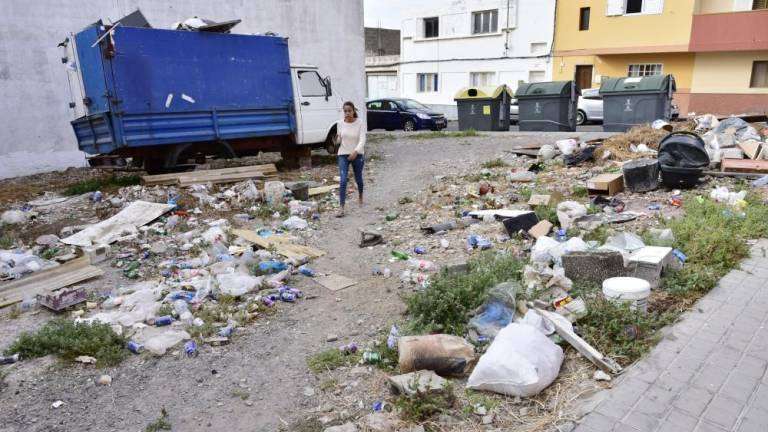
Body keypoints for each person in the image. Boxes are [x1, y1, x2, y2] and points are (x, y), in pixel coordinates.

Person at [335, 101, 366, 217]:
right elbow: (339, 141)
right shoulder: (340, 123)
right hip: (343, 154)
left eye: (349, 111)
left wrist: (356, 151)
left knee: (358, 178)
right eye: (345, 111)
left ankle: (361, 195)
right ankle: (341, 208)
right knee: (343, 180)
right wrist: (337, 140)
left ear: (353, 111)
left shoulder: (360, 123)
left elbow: (362, 140)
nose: (347, 113)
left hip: (357, 154)